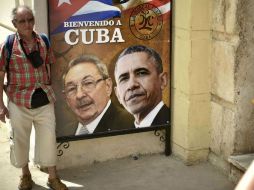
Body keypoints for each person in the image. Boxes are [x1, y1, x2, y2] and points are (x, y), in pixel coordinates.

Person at [0, 5, 68, 190]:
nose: (27, 24)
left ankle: (53, 177)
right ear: (14, 24)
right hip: (18, 100)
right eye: (22, 21)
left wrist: (56, 89)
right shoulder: (7, 45)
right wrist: (0, 105)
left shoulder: (43, 40)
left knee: (48, 138)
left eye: (30, 19)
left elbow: (51, 66)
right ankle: (25, 175)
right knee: (20, 140)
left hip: (44, 98)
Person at [62, 55, 134, 136]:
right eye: (71, 89)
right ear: (66, 99)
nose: (79, 95)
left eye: (88, 83)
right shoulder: (63, 132)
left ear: (108, 86)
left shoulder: (133, 124)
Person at [114, 45, 170, 128]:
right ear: (118, 94)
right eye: (124, 78)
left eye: (141, 73)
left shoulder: (177, 125)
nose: (131, 85)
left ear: (162, 80)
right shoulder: (123, 131)